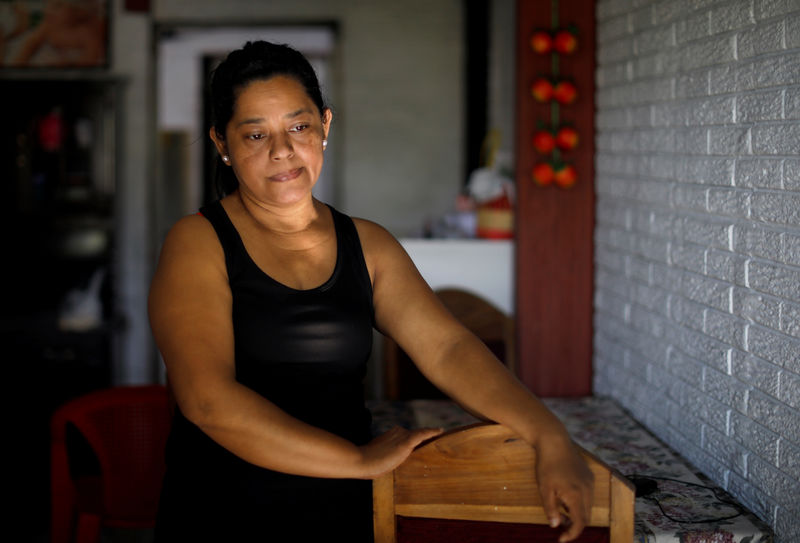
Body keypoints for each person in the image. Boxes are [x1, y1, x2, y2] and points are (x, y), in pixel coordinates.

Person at [148, 40, 593, 542]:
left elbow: (448, 348)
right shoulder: (197, 241)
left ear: (325, 127)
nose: (282, 151)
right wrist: (357, 458)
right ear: (223, 144)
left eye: (298, 126)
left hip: (343, 512)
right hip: (224, 513)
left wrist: (548, 434)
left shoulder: (367, 243)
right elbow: (207, 401)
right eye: (255, 134)